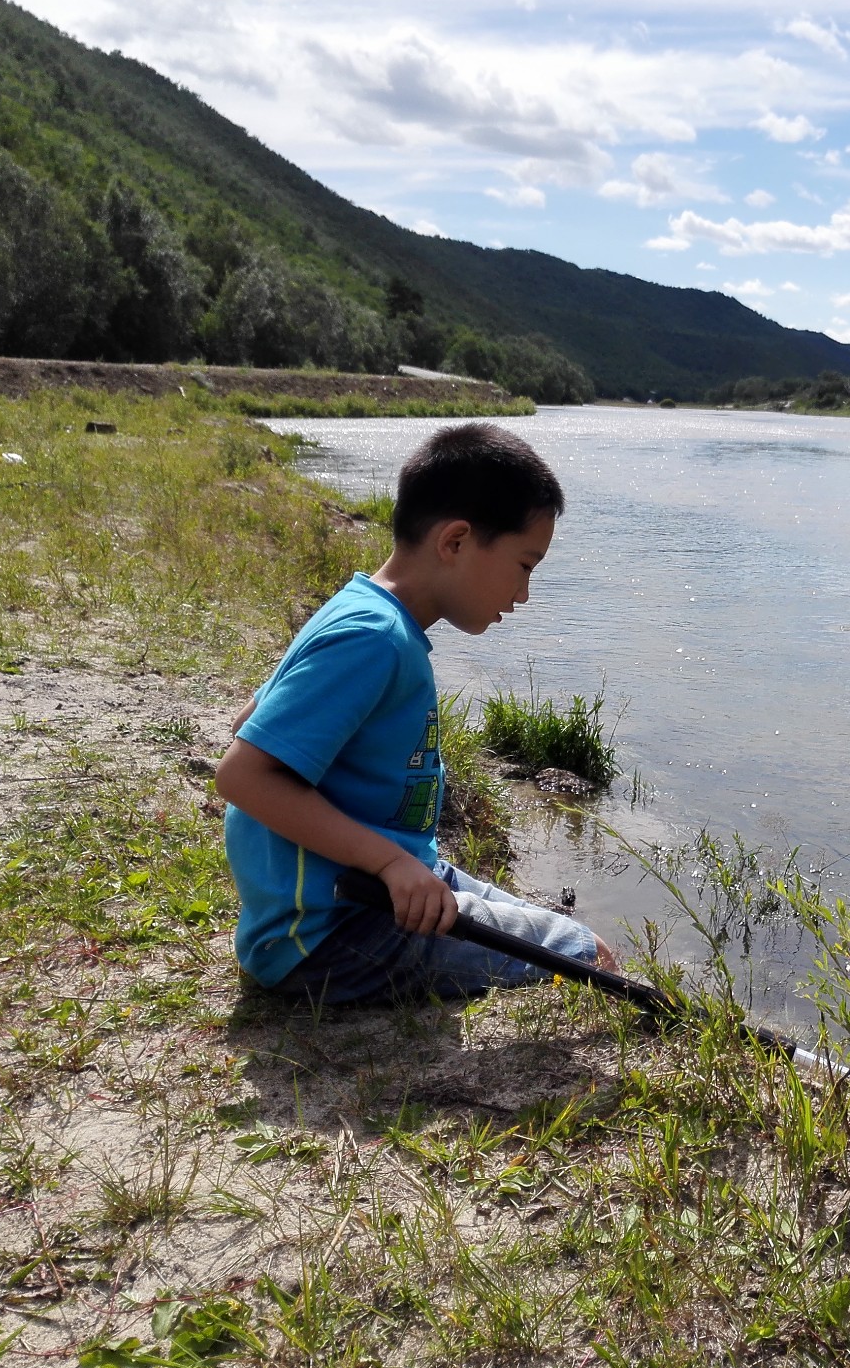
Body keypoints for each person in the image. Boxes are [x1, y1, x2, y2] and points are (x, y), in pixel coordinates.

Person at [214, 422, 615, 1003]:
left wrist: (397, 865)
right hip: (333, 936)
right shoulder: (373, 638)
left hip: (378, 884)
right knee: (588, 957)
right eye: (525, 566)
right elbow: (242, 773)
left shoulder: (361, 611)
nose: (524, 594)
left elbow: (252, 714)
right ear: (454, 542)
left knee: (571, 937)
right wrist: (389, 864)